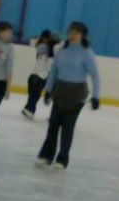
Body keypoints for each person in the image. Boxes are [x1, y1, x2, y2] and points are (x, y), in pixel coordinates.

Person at [35, 21, 100, 169]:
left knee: (67, 128)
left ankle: (62, 159)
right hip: (60, 91)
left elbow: (95, 76)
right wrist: (48, 90)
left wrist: (96, 96)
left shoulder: (87, 53)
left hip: (77, 95)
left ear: (83, 35)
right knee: (53, 125)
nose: (72, 35)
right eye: (71, 32)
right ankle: (46, 155)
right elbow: (54, 72)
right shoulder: (63, 50)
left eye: (76, 32)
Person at [22, 29, 54, 118]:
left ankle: (30, 109)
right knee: (32, 93)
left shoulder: (50, 50)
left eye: (46, 38)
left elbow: (49, 65)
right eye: (44, 38)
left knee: (35, 94)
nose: (44, 40)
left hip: (42, 75)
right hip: (35, 73)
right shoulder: (43, 47)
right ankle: (28, 108)